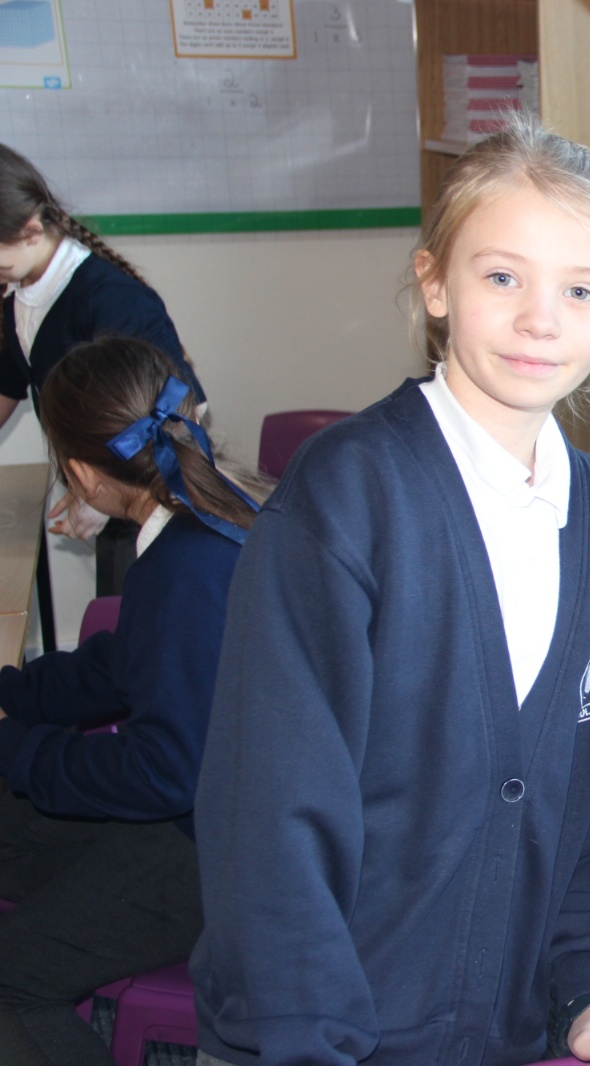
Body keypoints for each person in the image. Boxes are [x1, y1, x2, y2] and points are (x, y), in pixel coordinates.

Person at [191, 116, 590, 1066]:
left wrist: (587, 989)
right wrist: (308, 1042)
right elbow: (272, 813)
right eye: (503, 278)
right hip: (320, 1036)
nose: (540, 319)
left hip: (499, 1031)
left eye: (579, 289)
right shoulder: (348, 493)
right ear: (436, 284)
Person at [0, 335, 260, 1066]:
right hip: (222, 818)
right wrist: (13, 697)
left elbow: (163, 772)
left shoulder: (185, 570)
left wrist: (19, 748)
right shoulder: (212, 515)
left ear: (82, 473)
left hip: (222, 855)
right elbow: (126, 666)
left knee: (11, 982)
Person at [0, 143, 208, 590]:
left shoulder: (110, 299)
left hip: (150, 505)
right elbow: (7, 384)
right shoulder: (18, 296)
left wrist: (102, 494)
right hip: (106, 494)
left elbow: (182, 408)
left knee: (139, 616)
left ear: (31, 231)